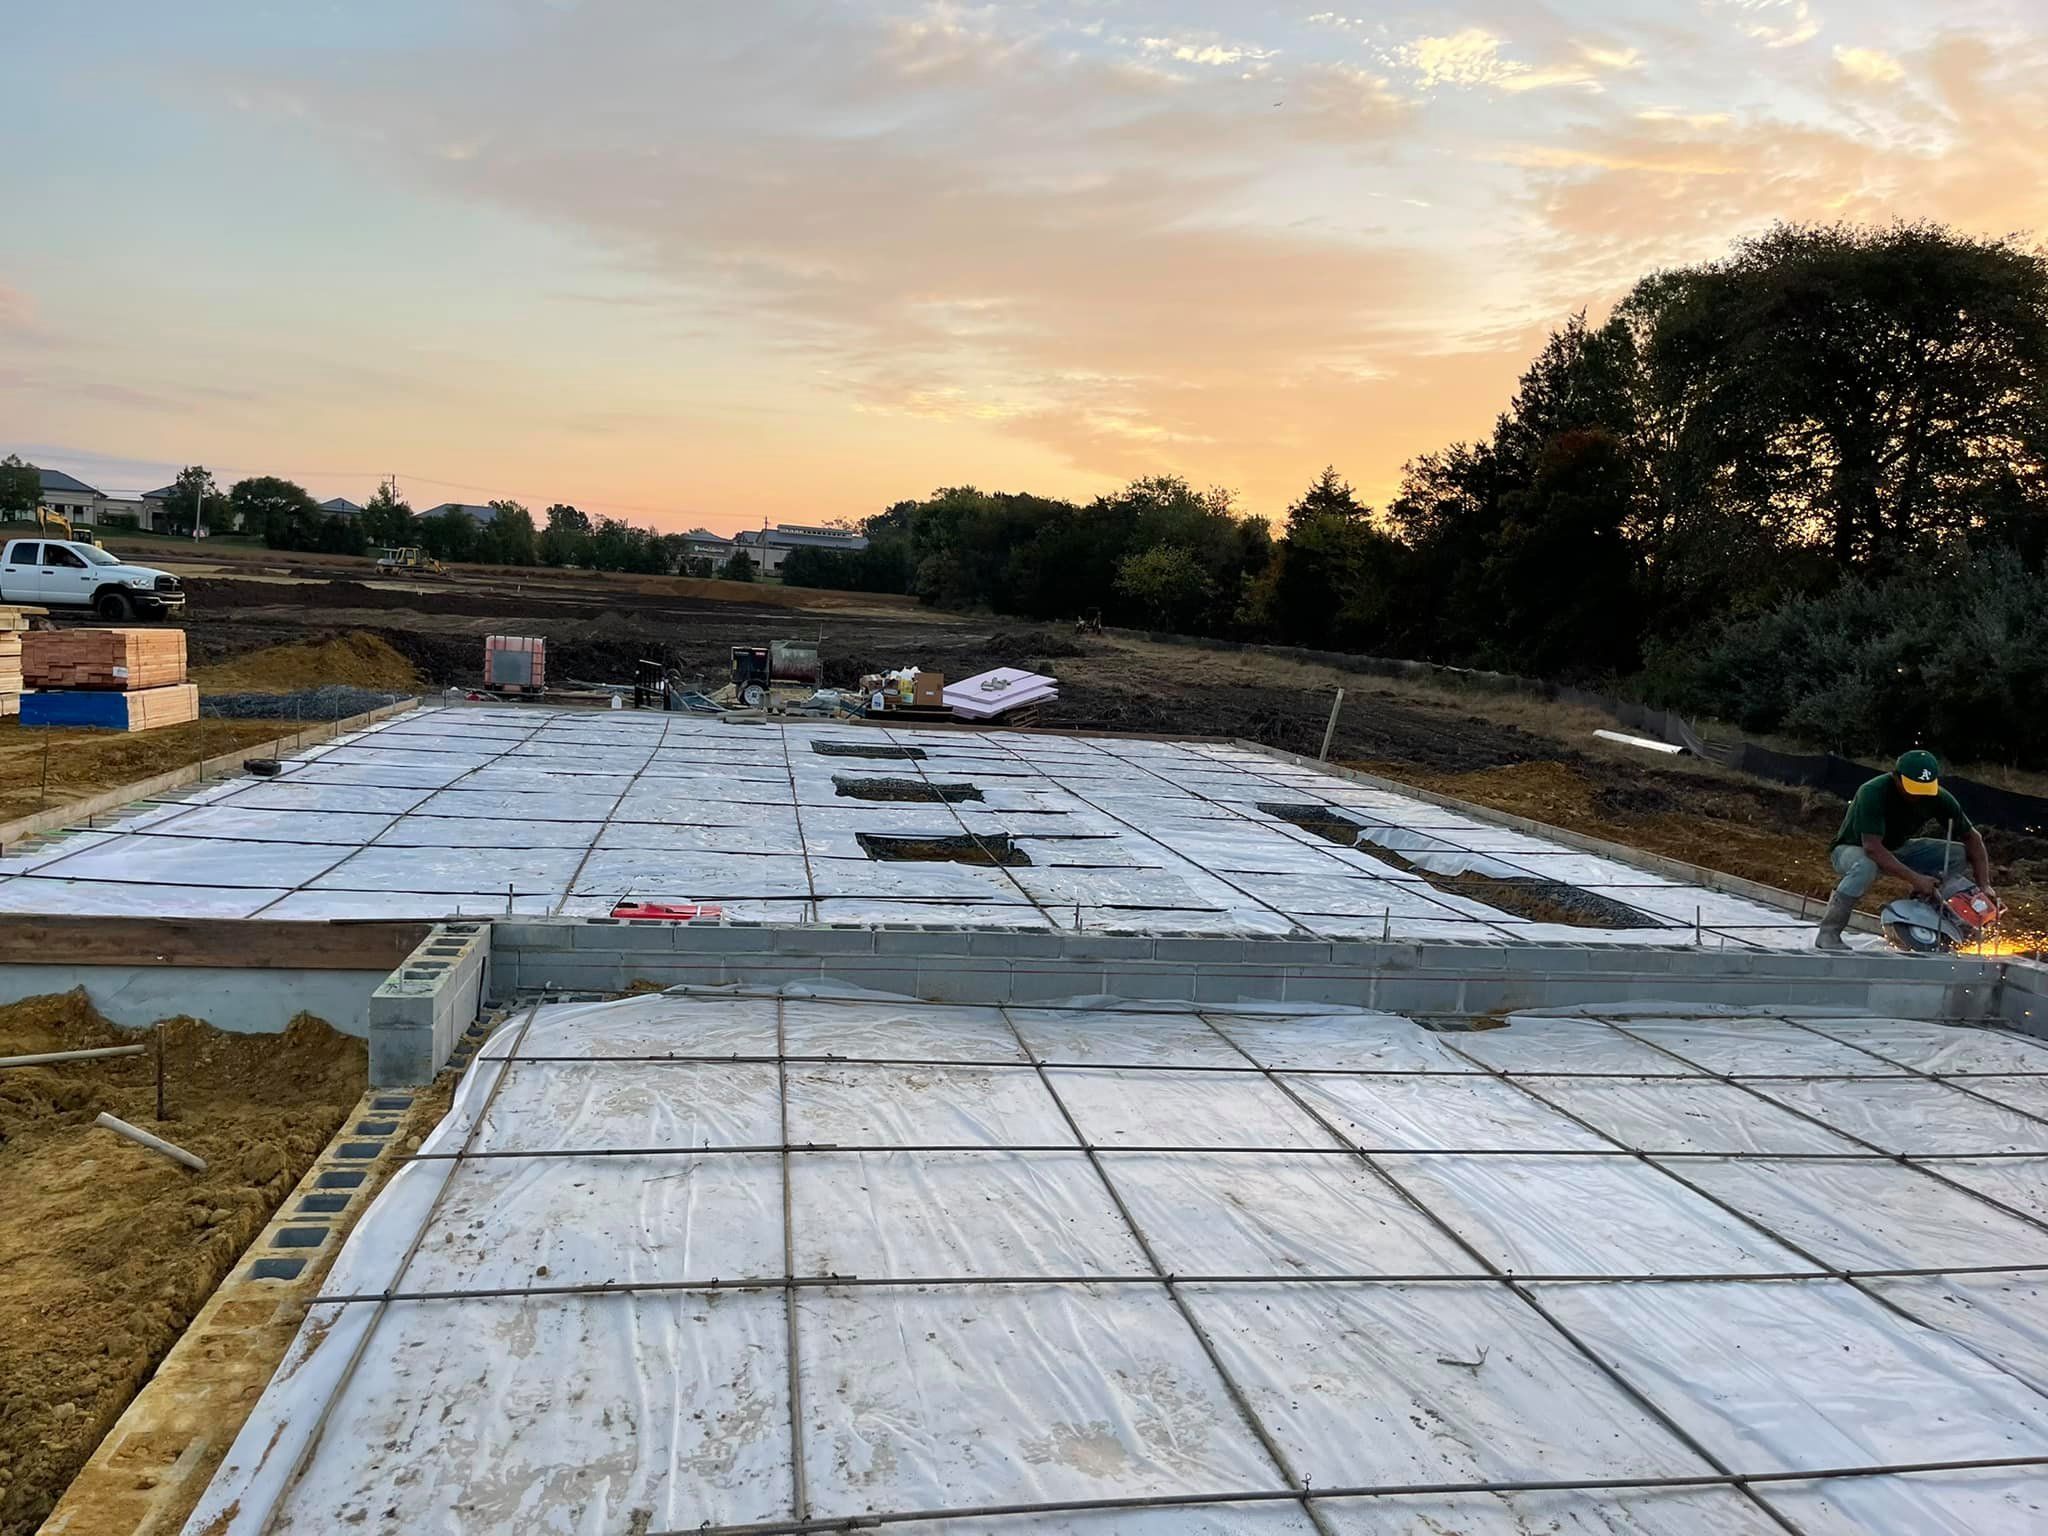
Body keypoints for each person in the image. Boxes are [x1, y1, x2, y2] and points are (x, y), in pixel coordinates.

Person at [1815, 749, 1995, 950]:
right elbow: (1872, 847)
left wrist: (1984, 885)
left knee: (1957, 854)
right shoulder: (1873, 792)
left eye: (1924, 788)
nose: (1919, 795)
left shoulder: (1938, 797)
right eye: (1913, 788)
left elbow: (1972, 838)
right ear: (1896, 778)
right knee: (1866, 866)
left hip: (1898, 848)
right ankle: (1828, 933)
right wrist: (1916, 879)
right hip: (1853, 848)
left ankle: (1926, 915)